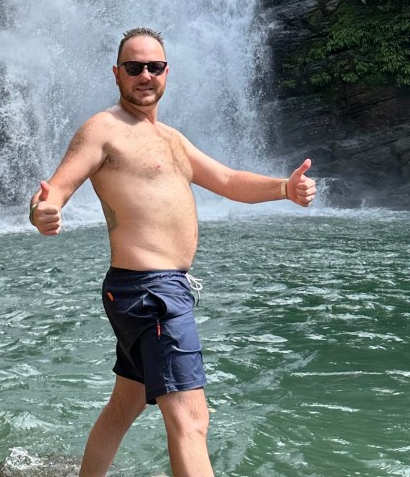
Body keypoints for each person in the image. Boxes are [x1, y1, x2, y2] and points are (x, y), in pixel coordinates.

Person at [29, 27, 316, 477]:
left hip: (153, 290)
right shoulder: (103, 128)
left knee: (123, 406)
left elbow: (228, 180)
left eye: (154, 66)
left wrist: (284, 188)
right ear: (117, 74)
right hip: (151, 292)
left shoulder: (172, 139)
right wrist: (42, 212)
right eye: (134, 67)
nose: (145, 75)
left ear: (166, 72)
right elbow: (54, 191)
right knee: (191, 419)